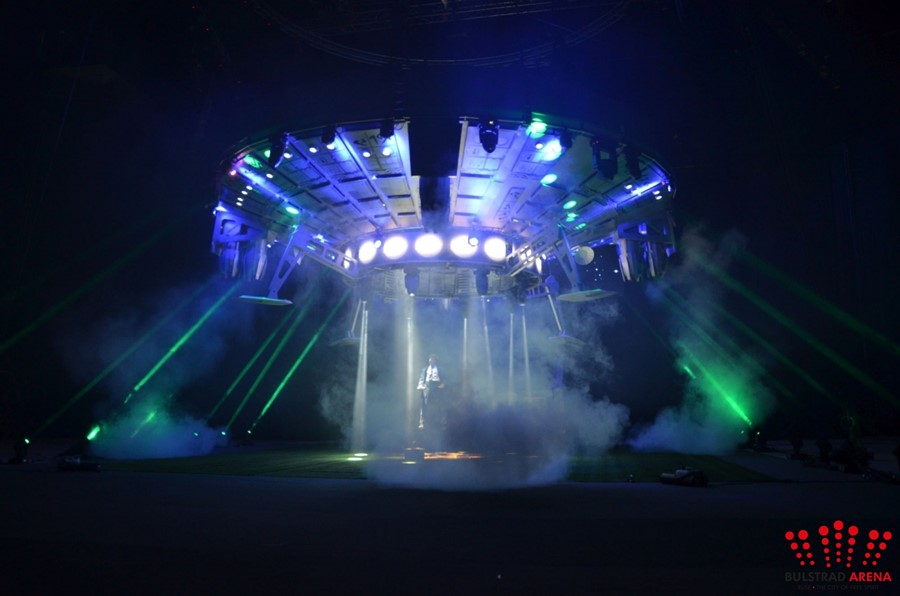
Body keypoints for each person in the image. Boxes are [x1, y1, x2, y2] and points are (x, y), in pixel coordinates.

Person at [416, 353, 444, 429]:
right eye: (430, 359)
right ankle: (422, 422)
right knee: (424, 405)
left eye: (433, 359)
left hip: (436, 387)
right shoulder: (424, 369)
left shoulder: (439, 369)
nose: (431, 360)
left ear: (435, 361)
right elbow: (422, 378)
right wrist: (420, 385)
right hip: (427, 386)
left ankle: (439, 422)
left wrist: (443, 384)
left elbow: (444, 378)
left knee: (438, 405)